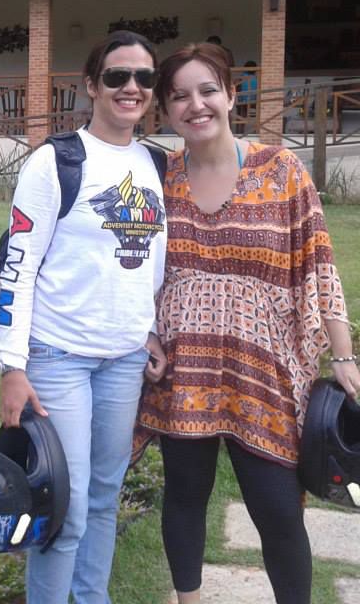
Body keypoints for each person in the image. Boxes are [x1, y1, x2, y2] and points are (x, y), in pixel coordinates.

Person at [135, 42, 360, 604]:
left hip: (263, 371)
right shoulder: (158, 178)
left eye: (207, 90)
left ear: (232, 95)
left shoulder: (281, 170)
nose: (196, 105)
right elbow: (131, 266)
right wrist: (144, 332)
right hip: (183, 372)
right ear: (166, 111)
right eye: (179, 96)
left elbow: (319, 264)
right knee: (185, 497)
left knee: (278, 511)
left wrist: (344, 355)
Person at [0, 29, 168, 604]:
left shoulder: (157, 164)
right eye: (117, 76)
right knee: (63, 508)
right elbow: (17, 266)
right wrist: (11, 366)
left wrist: (149, 331)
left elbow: (154, 264)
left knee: (103, 497)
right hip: (57, 357)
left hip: (124, 360)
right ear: (92, 85)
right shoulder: (56, 161)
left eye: (144, 77)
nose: (131, 87)